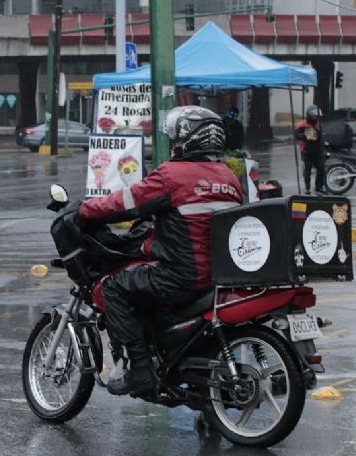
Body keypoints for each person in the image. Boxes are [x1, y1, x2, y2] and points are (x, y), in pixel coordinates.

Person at [77, 106, 243, 396]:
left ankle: (139, 369)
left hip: (181, 276)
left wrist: (85, 210)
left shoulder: (173, 175)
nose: (175, 143)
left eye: (177, 137)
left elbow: (127, 202)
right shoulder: (228, 177)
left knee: (114, 287)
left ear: (188, 139)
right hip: (218, 276)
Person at [295, 105, 327, 194]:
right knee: (307, 170)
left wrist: (324, 145)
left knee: (321, 168)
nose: (316, 118)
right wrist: (307, 135)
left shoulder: (318, 124)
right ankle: (307, 187)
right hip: (306, 150)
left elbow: (320, 137)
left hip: (318, 150)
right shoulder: (302, 124)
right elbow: (297, 135)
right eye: (314, 116)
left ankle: (319, 187)